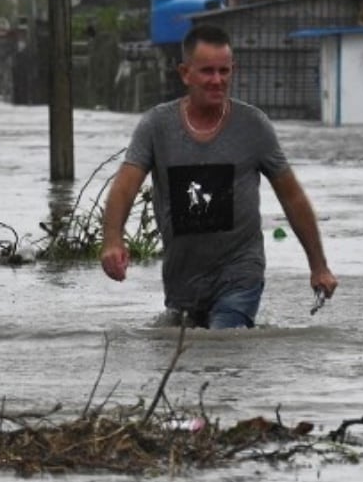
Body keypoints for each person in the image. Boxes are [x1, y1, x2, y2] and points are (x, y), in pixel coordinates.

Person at [99, 23, 339, 329]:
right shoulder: (157, 126)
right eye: (207, 72)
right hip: (183, 278)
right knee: (182, 355)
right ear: (185, 74)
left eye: (224, 71)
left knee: (223, 341)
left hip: (240, 271)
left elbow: (291, 196)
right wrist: (112, 241)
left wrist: (318, 266)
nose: (217, 80)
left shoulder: (253, 126)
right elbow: (124, 186)